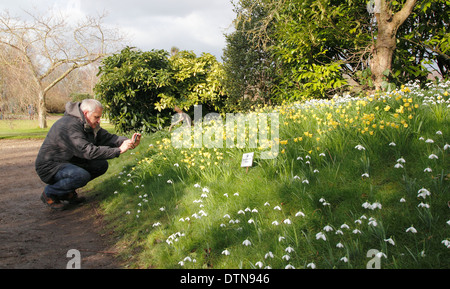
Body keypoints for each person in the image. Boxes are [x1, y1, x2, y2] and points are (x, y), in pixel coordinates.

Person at [35, 99, 141, 211]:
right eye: (97, 117)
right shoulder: (69, 125)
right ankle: (50, 193)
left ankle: (66, 193)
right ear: (86, 113)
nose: (99, 121)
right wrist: (118, 150)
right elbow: (88, 151)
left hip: (68, 162)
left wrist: (128, 142)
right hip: (50, 166)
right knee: (81, 176)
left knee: (100, 165)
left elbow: (108, 138)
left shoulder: (86, 123)